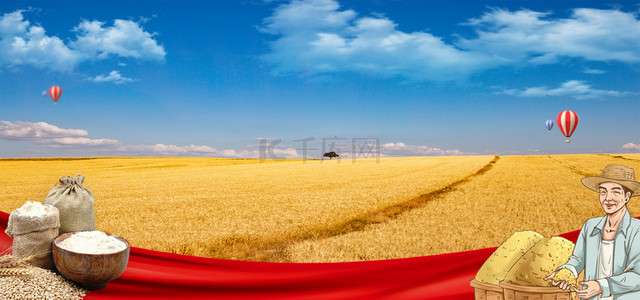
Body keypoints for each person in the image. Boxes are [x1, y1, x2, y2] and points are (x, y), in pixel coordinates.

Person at [544, 164, 640, 300]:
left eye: (615, 192)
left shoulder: (637, 230)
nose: (608, 198)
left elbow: (638, 275)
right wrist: (566, 272)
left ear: (627, 196)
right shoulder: (590, 226)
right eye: (603, 192)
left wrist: (602, 286)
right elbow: (577, 259)